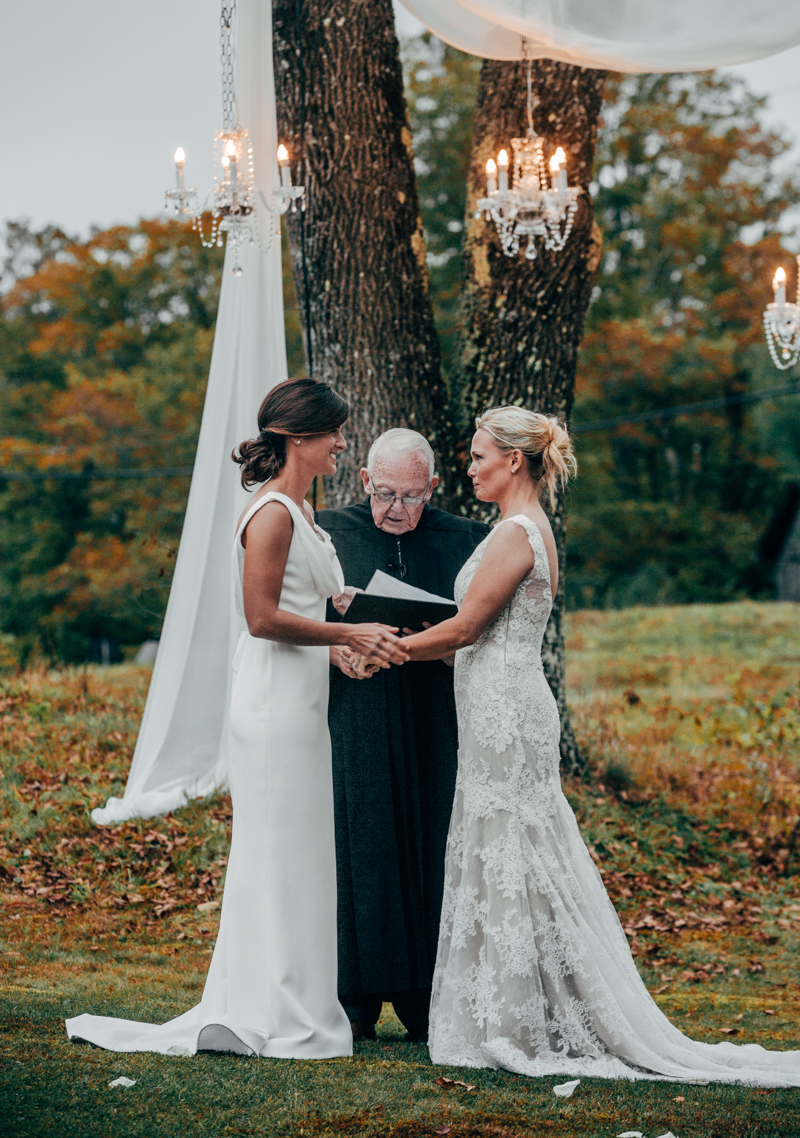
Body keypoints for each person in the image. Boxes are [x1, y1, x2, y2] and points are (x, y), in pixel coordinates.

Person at [398, 405, 800, 1085]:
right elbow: (476, 637)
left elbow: (466, 630)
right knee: (506, 848)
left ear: (515, 460)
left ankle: (523, 1017)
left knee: (513, 848)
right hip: (494, 703)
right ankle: (517, 1006)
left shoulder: (517, 532)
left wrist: (387, 648)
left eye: (477, 456)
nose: (469, 467)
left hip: (505, 711)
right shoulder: (517, 530)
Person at [66, 378, 408, 1058]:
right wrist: (349, 635)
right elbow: (260, 619)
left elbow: (303, 613)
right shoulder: (274, 513)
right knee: (277, 858)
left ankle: (294, 1001)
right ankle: (271, 1008)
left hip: (302, 703)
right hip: (272, 709)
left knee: (300, 860)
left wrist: (343, 649)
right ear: (302, 438)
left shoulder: (301, 512)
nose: (344, 444)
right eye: (336, 433)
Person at [318, 429, 489, 1042]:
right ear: (364, 481)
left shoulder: (467, 540)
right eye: (385, 493)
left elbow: (487, 631)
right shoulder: (326, 534)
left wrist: (447, 652)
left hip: (432, 716)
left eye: (412, 496)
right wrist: (332, 652)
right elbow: (288, 622)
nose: (396, 508)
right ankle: (355, 999)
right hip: (355, 714)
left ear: (433, 489)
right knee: (359, 844)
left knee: (434, 841)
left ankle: (427, 996)